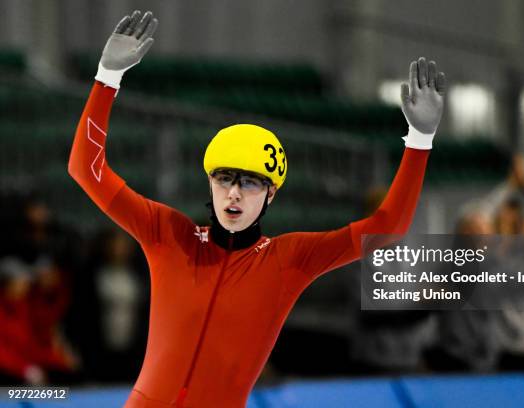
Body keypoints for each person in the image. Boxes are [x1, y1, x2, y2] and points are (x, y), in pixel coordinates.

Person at [68, 10, 445, 407]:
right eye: (225, 179)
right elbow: (85, 170)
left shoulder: (288, 260)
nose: (234, 193)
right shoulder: (168, 234)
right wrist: (107, 76)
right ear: (210, 183)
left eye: (249, 183)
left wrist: (420, 139)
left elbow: (387, 228)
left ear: (271, 195)